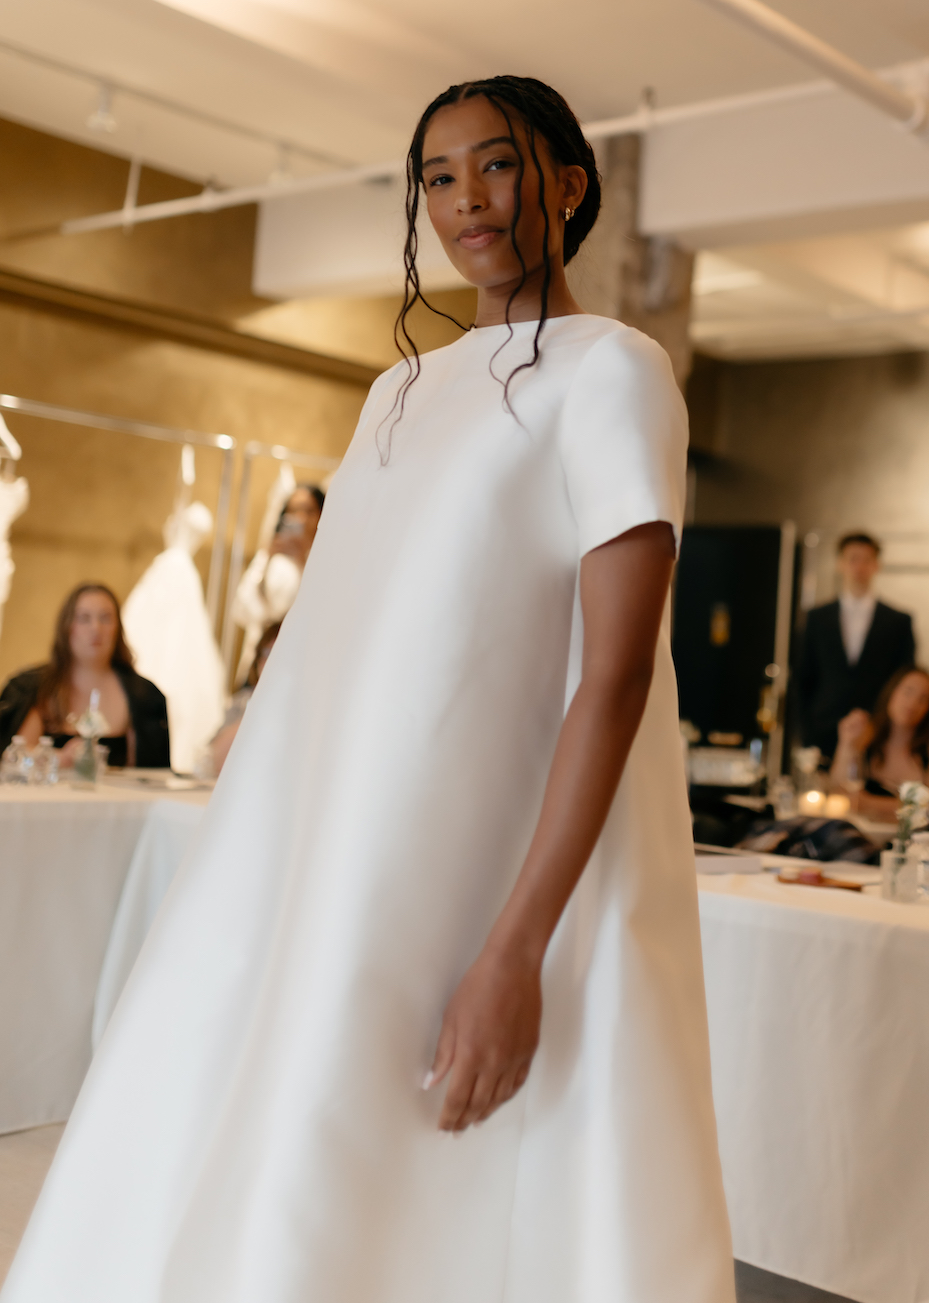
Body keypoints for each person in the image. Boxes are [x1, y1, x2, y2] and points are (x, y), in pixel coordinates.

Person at [2, 77, 734, 1303]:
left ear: (566, 181)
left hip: (478, 870)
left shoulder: (616, 372)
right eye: (436, 179)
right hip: (331, 851)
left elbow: (612, 683)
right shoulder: (399, 388)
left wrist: (515, 946)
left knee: (416, 1182)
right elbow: (336, 624)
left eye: (494, 167)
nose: (464, 203)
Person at [0, 582, 169, 769]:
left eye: (105, 618)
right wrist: (60, 758)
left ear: (118, 628)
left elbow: (152, 771)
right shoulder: (32, 688)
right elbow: (14, 756)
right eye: (84, 618)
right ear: (67, 626)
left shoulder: (145, 695)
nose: (96, 628)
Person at [797, 532, 915, 762]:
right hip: (824, 728)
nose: (859, 567)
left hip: (878, 731)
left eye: (866, 560)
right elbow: (803, 679)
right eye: (853, 559)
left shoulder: (898, 621)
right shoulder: (817, 618)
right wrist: (806, 732)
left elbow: (903, 679)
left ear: (876, 565)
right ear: (840, 564)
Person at [231, 483, 324, 685]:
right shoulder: (270, 555)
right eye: (293, 510)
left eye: (308, 511)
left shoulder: (325, 560)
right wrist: (267, 560)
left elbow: (323, 609)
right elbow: (242, 607)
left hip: (302, 657)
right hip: (262, 654)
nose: (300, 518)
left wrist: (303, 562)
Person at [829, 666, 929, 820]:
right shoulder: (866, 736)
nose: (912, 703)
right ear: (892, 691)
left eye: (923, 698)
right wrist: (846, 744)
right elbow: (838, 791)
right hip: (863, 833)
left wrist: (869, 803)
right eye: (908, 692)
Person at [208, 621, 280, 775]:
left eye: (279, 654)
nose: (270, 662)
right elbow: (216, 760)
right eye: (266, 654)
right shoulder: (243, 701)